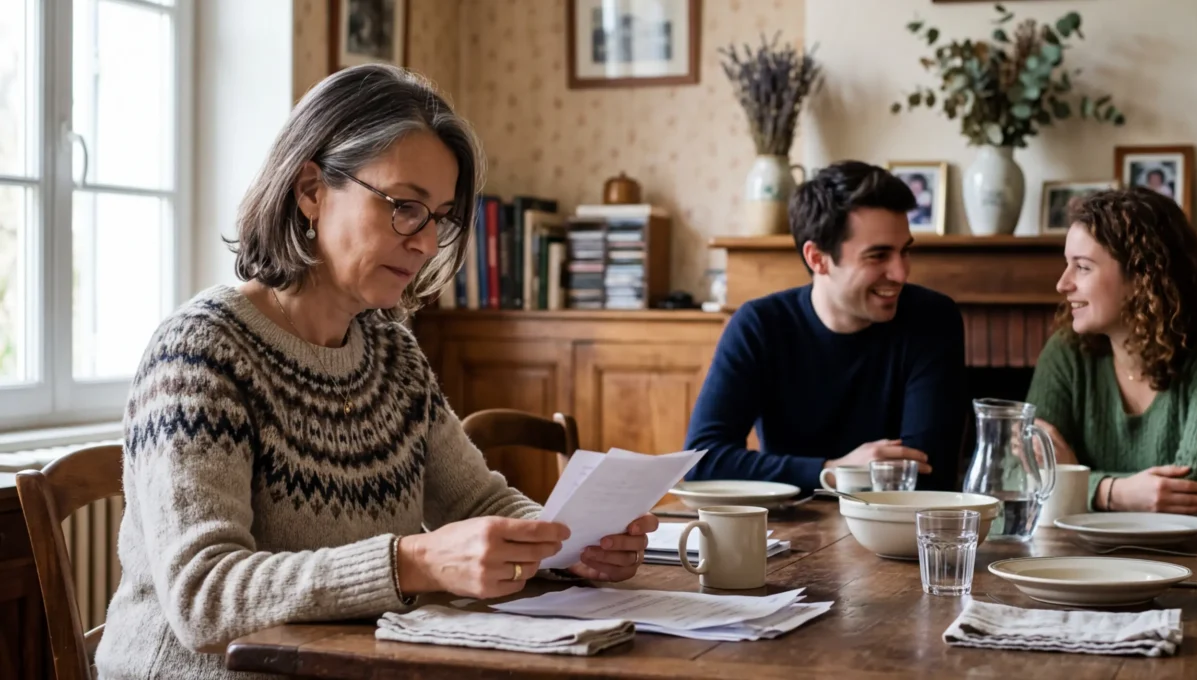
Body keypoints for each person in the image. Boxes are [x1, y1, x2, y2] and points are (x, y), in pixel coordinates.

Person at [97, 65, 658, 680]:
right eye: (404, 207)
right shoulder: (201, 352)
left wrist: (568, 547)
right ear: (311, 189)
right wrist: (409, 563)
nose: (423, 243)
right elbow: (204, 598)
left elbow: (475, 500)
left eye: (438, 216)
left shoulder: (390, 351)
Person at [1025, 186, 1197, 679]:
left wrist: (1075, 481)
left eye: (1083, 267)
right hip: (1095, 577)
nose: (1062, 284)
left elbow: (1193, 493)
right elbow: (1022, 469)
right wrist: (1116, 493)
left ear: (1141, 275)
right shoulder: (1068, 350)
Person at [683, 160, 967, 493]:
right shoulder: (760, 325)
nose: (901, 273)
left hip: (896, 532)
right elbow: (701, 461)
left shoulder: (933, 319)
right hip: (788, 534)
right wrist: (831, 471)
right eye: (878, 256)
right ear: (817, 258)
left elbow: (927, 471)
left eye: (905, 252)